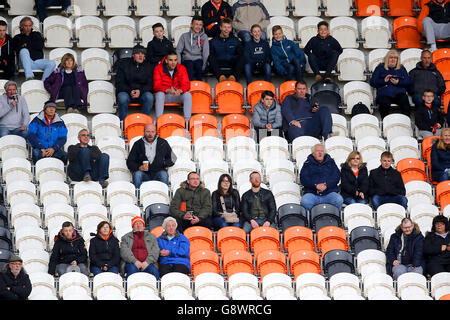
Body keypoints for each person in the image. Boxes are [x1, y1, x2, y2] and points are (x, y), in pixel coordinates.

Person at [126, 123, 175, 188]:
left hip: (159, 172)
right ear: (144, 132)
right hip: (144, 173)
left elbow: (173, 158)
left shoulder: (163, 143)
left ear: (156, 132)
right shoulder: (138, 144)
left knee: (164, 174)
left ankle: (165, 195)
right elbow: (130, 162)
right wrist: (139, 167)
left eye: (152, 132)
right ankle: (137, 195)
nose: (150, 134)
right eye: (148, 131)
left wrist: (164, 163)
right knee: (137, 174)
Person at [116, 44, 154, 121]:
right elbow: (119, 83)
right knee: (122, 97)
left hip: (142, 93)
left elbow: (150, 84)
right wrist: (130, 91)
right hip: (127, 92)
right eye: (138, 53)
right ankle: (123, 122)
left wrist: (140, 91)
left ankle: (144, 121)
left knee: (149, 97)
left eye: (143, 54)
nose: (141, 56)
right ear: (133, 55)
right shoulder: (123, 64)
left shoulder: (148, 66)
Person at [300, 144, 343, 211]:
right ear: (313, 154)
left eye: (322, 151)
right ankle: (311, 220)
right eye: (317, 151)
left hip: (329, 193)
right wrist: (316, 186)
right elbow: (303, 178)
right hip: (312, 193)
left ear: (324, 153)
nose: (320, 153)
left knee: (338, 199)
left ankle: (334, 219)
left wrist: (326, 185)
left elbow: (336, 176)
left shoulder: (331, 162)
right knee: (305, 201)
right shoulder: (307, 163)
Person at [369, 49, 412, 119]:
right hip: (384, 94)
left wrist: (398, 82)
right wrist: (384, 81)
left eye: (395, 58)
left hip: (399, 94)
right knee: (384, 103)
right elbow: (372, 82)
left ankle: (406, 122)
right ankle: (385, 121)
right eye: (391, 58)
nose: (393, 60)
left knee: (405, 102)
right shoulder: (380, 68)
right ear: (387, 59)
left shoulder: (401, 68)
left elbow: (408, 82)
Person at [12, 16, 55, 81]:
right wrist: (29, 45)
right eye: (26, 26)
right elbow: (17, 49)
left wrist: (25, 44)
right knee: (24, 51)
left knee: (52, 63)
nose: (28, 28)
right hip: (24, 63)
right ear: (21, 26)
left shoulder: (37, 34)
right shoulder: (17, 38)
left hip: (37, 62)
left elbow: (40, 46)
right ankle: (29, 77)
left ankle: (43, 82)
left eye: (29, 26)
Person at [153, 50, 192, 122]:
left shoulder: (181, 68)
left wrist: (180, 90)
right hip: (165, 95)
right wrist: (167, 90)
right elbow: (156, 85)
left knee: (187, 95)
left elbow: (186, 84)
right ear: (166, 60)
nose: (173, 63)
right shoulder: (158, 68)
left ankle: (187, 122)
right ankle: (159, 121)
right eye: (170, 60)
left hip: (177, 95)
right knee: (159, 94)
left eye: (175, 60)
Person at [209, 17, 244, 82]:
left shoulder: (236, 41)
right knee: (211, 57)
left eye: (228, 27)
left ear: (231, 29)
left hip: (232, 66)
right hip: (218, 67)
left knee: (242, 57)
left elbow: (241, 56)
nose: (226, 29)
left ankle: (234, 77)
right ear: (220, 28)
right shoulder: (213, 41)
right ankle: (220, 77)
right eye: (224, 27)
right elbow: (211, 58)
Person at [176, 16, 209, 81]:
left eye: (200, 25)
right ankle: (190, 87)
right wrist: (178, 65)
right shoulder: (184, 36)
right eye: (196, 24)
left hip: (198, 59)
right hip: (187, 59)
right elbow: (178, 51)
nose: (198, 27)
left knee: (199, 66)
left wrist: (204, 65)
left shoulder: (204, 37)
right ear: (191, 25)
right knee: (190, 65)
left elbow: (206, 52)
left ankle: (199, 87)